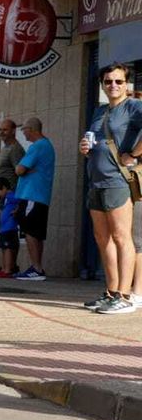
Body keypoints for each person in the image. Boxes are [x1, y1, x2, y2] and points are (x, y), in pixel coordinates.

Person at [78, 63, 142, 314]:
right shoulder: (100, 111)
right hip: (96, 180)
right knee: (102, 238)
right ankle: (111, 291)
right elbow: (94, 139)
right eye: (108, 82)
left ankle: (125, 297)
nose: (113, 86)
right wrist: (85, 147)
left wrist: (133, 154)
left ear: (126, 84)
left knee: (121, 237)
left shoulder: (133, 106)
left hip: (118, 181)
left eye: (118, 81)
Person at [11, 116, 53, 281]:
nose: (24, 133)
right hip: (40, 195)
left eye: (25, 129)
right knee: (36, 232)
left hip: (32, 195)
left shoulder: (37, 146)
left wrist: (22, 169)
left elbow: (19, 170)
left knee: (30, 231)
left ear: (32, 130)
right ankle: (37, 268)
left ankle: (36, 268)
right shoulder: (47, 145)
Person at [0, 178, 20, 279]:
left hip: (9, 228)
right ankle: (5, 268)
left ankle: (7, 270)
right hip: (5, 229)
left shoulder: (11, 196)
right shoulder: (7, 199)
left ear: (4, 188)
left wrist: (17, 209)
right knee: (4, 248)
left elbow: (20, 201)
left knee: (7, 248)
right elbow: (6, 212)